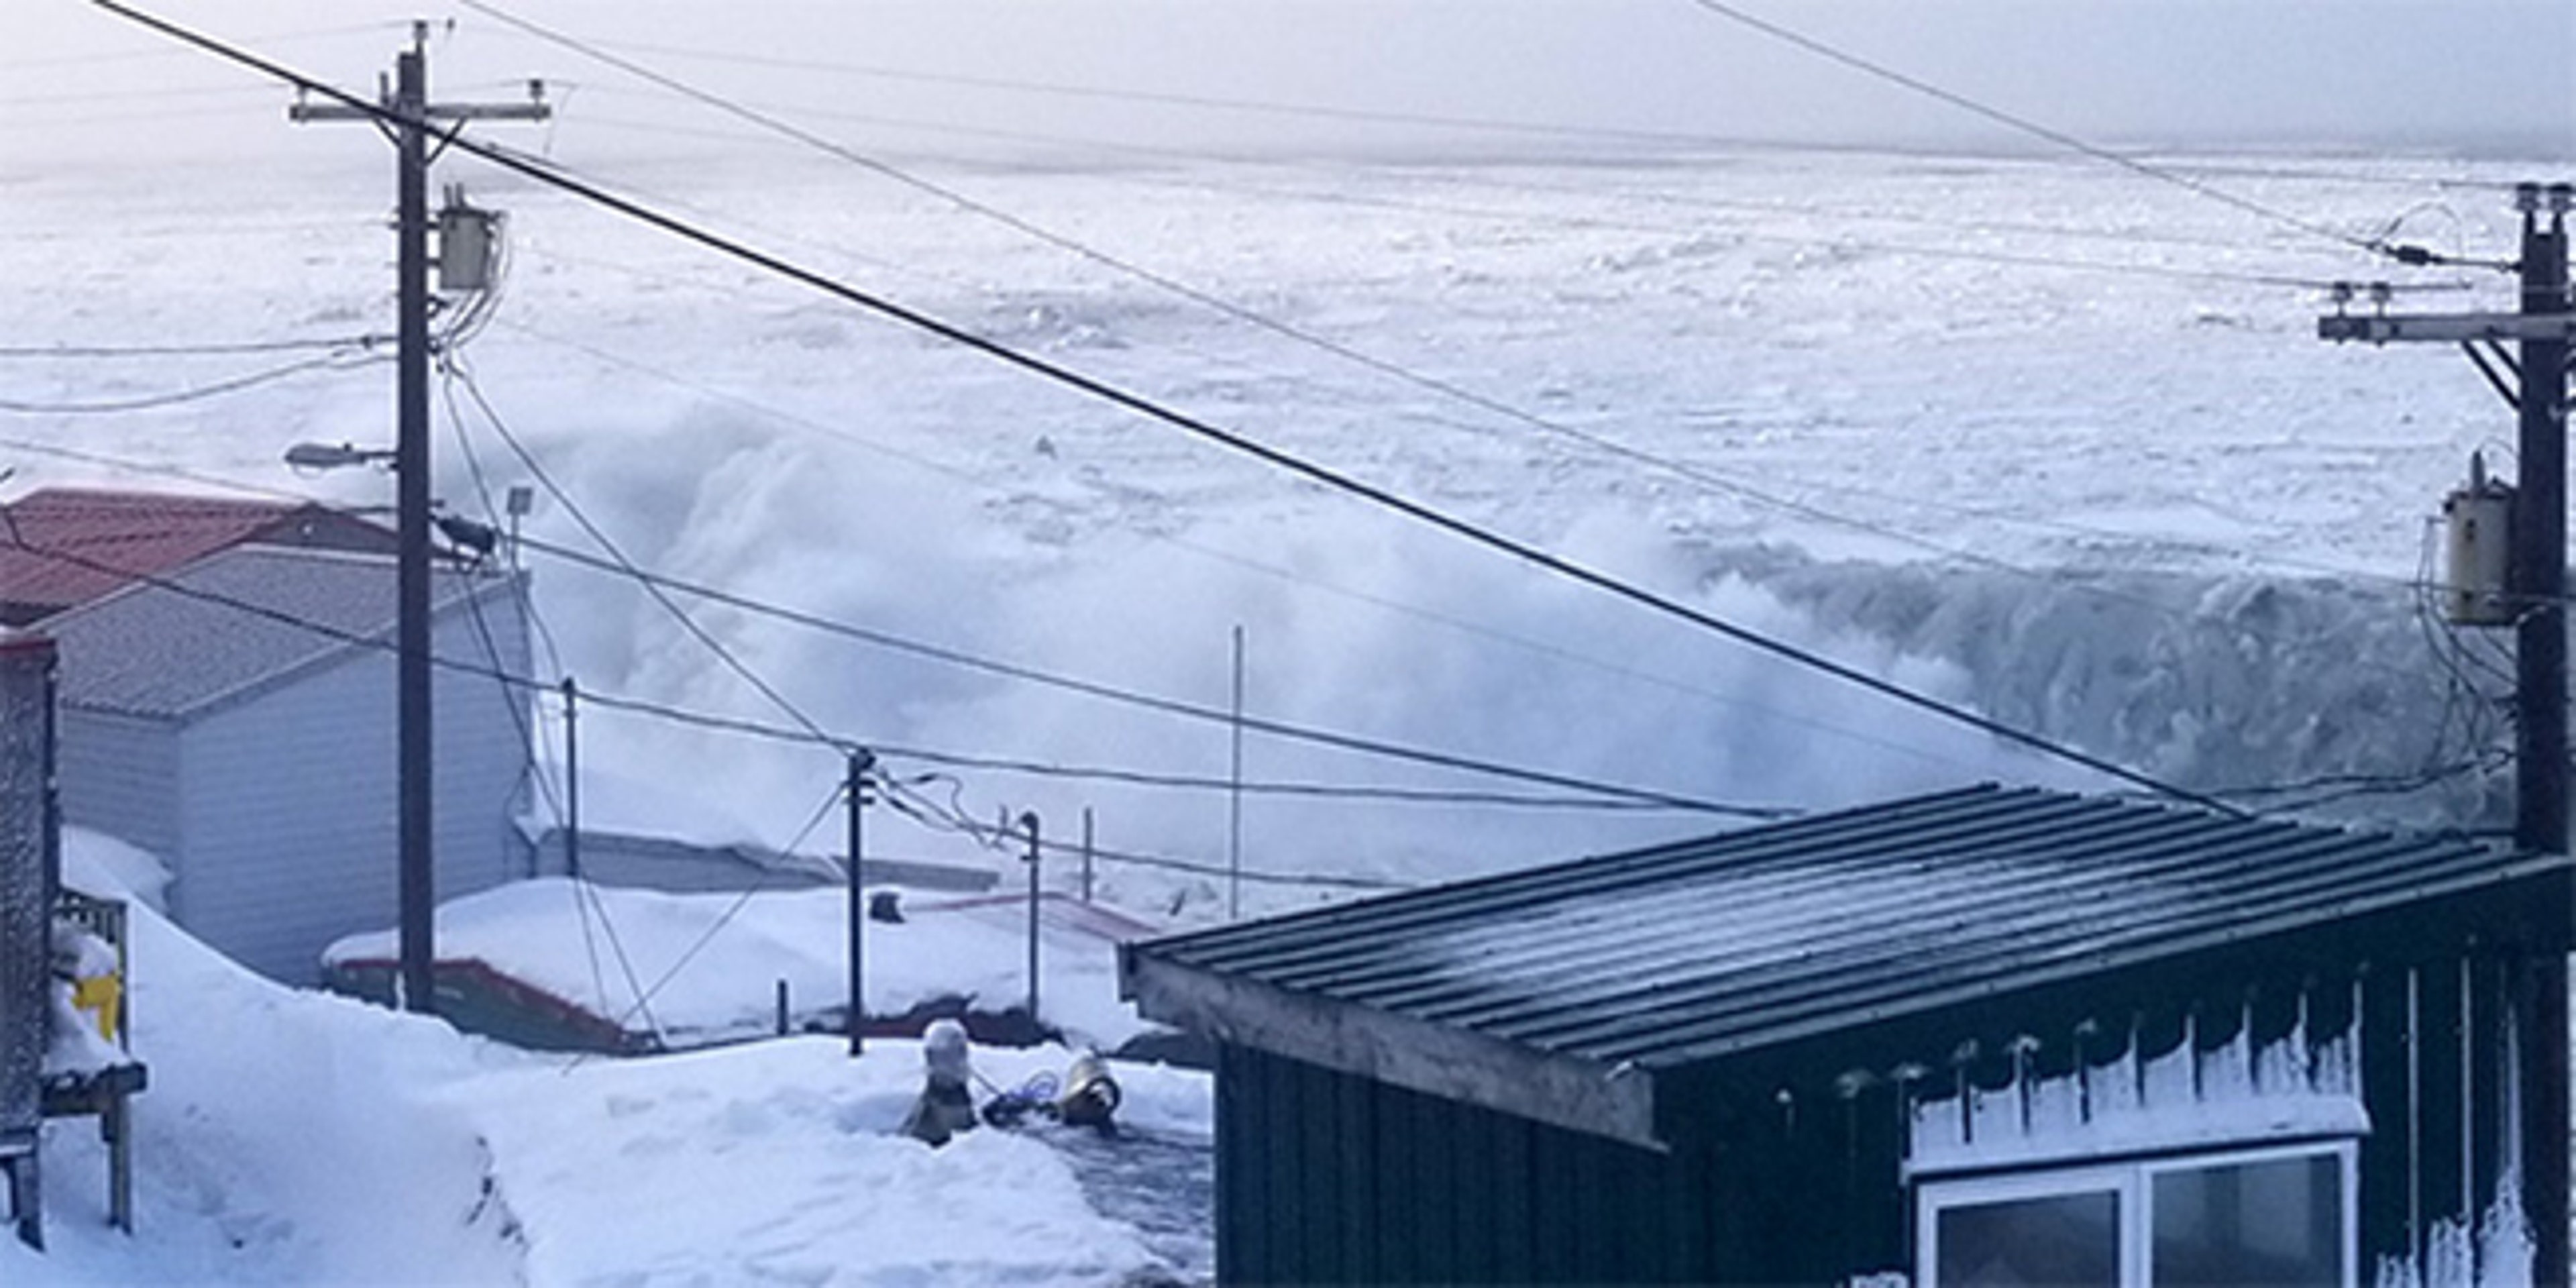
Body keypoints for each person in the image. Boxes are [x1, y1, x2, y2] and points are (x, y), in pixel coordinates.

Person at [899, 1020, 979, 1147]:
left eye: (958, 1055)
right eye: (946, 1058)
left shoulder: (962, 1094)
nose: (955, 1064)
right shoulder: (931, 1100)